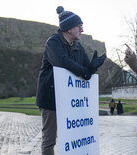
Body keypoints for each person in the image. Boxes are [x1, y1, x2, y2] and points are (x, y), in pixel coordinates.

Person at [35, 6, 106, 155]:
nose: (82, 30)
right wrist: (86, 71)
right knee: (49, 140)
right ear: (68, 28)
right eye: (79, 26)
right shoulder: (52, 43)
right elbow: (62, 62)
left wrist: (93, 67)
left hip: (71, 100)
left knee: (76, 137)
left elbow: (86, 69)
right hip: (51, 99)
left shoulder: (78, 46)